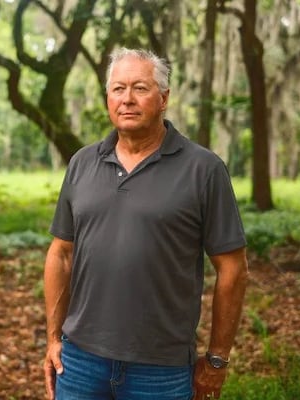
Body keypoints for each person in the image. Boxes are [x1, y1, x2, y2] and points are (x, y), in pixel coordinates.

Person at [43, 48, 249, 400]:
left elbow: (233, 269)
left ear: (164, 98)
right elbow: (61, 254)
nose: (127, 99)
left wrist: (217, 359)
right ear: (108, 97)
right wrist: (53, 338)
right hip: (79, 362)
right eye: (118, 89)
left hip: (161, 369)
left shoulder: (203, 169)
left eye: (140, 88)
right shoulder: (82, 163)